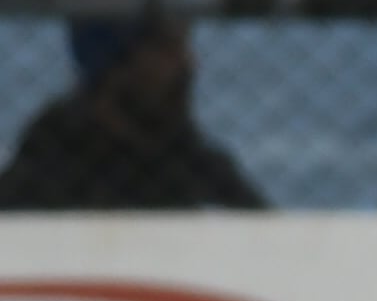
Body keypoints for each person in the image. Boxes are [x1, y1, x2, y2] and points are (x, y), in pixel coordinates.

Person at [0, 14, 265, 211]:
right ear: (115, 65)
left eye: (183, 46)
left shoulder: (186, 156)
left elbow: (269, 234)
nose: (188, 64)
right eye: (166, 48)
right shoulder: (53, 155)